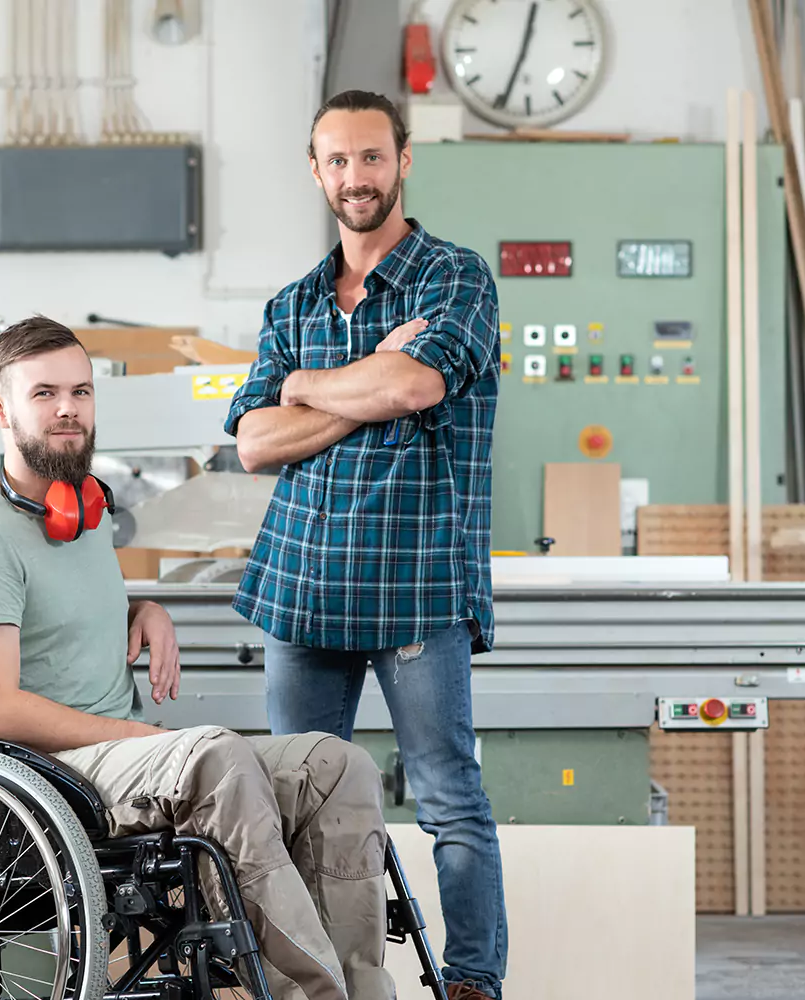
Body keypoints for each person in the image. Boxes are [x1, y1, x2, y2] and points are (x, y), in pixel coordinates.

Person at [0, 314, 395, 1000]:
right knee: (213, 755)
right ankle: (309, 996)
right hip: (57, 782)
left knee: (337, 765)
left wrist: (140, 610)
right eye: (45, 394)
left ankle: (364, 991)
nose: (68, 410)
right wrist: (142, 735)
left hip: (124, 765)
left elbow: (51, 620)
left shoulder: (82, 516)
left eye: (82, 392)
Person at [224, 90, 508, 1000]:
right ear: (317, 172)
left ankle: (470, 983)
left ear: (404, 161)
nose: (356, 177)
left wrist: (308, 389)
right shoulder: (295, 300)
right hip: (301, 586)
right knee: (297, 808)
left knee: (448, 801)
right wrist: (348, 384)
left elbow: (417, 387)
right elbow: (254, 441)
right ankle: (320, 984)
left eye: (372, 158)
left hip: (419, 581)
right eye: (338, 161)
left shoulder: (453, 277)